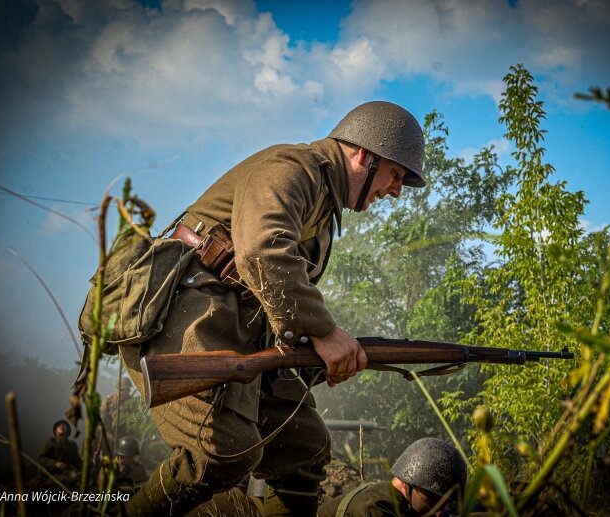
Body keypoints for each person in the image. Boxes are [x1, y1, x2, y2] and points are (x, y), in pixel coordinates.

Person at [118, 101, 426, 516]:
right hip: (189, 315)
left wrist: (317, 354)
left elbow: (279, 299)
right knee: (220, 453)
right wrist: (325, 332)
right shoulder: (292, 167)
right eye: (395, 175)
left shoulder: (324, 209)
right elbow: (263, 252)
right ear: (364, 156)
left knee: (305, 448)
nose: (395, 190)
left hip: (240, 334)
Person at [318, 437, 468, 517]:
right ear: (408, 484)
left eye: (447, 505)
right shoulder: (376, 508)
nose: (439, 512)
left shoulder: (392, 500)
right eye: (433, 501)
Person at [34, 420, 82, 488]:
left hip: (66, 474)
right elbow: (41, 459)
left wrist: (92, 461)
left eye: (64, 426)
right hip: (49, 475)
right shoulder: (49, 442)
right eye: (59, 426)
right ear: (55, 431)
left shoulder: (72, 446)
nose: (62, 426)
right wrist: (55, 464)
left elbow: (78, 462)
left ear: (68, 431)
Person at [99, 376, 133, 449]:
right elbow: (103, 413)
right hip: (111, 426)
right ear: (120, 390)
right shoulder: (109, 399)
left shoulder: (131, 401)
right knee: (106, 415)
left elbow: (134, 416)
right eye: (126, 390)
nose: (128, 392)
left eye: (128, 390)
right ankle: (108, 433)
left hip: (124, 427)